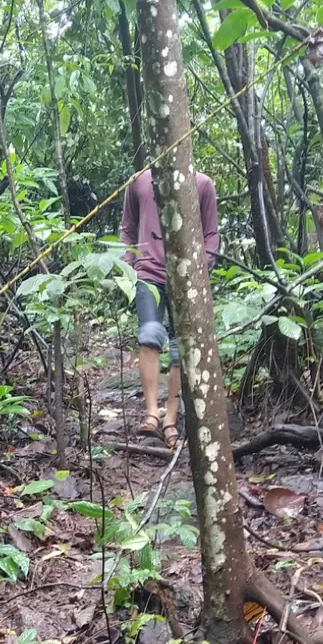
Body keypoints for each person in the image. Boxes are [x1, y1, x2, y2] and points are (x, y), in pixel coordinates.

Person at [120, 166, 219, 447]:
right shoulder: (138, 180)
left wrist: (199, 268)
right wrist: (129, 263)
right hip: (146, 273)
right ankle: (151, 412)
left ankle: (170, 418)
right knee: (150, 335)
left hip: (185, 277)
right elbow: (127, 228)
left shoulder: (202, 183)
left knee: (179, 349)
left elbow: (211, 235)